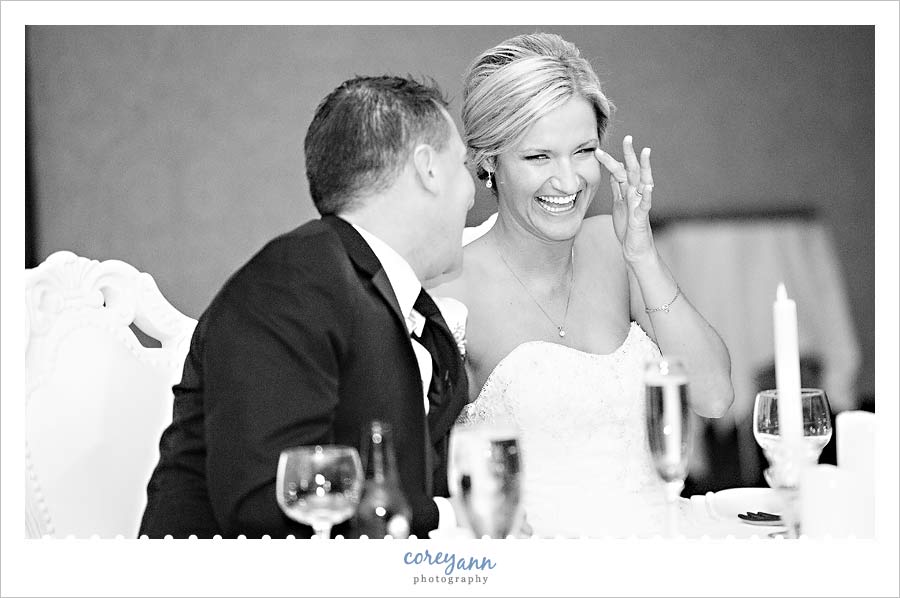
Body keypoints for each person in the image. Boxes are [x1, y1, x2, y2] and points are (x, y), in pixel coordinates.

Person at [139, 75, 474, 538]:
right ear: (428, 169)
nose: (473, 192)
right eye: (463, 166)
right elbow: (265, 499)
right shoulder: (293, 280)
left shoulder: (387, 298)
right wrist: (451, 519)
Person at [431, 33, 734, 537]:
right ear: (488, 161)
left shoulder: (616, 247)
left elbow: (714, 396)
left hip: (665, 543)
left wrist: (642, 256)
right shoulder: (451, 287)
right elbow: (427, 471)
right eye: (538, 157)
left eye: (584, 151)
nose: (569, 181)